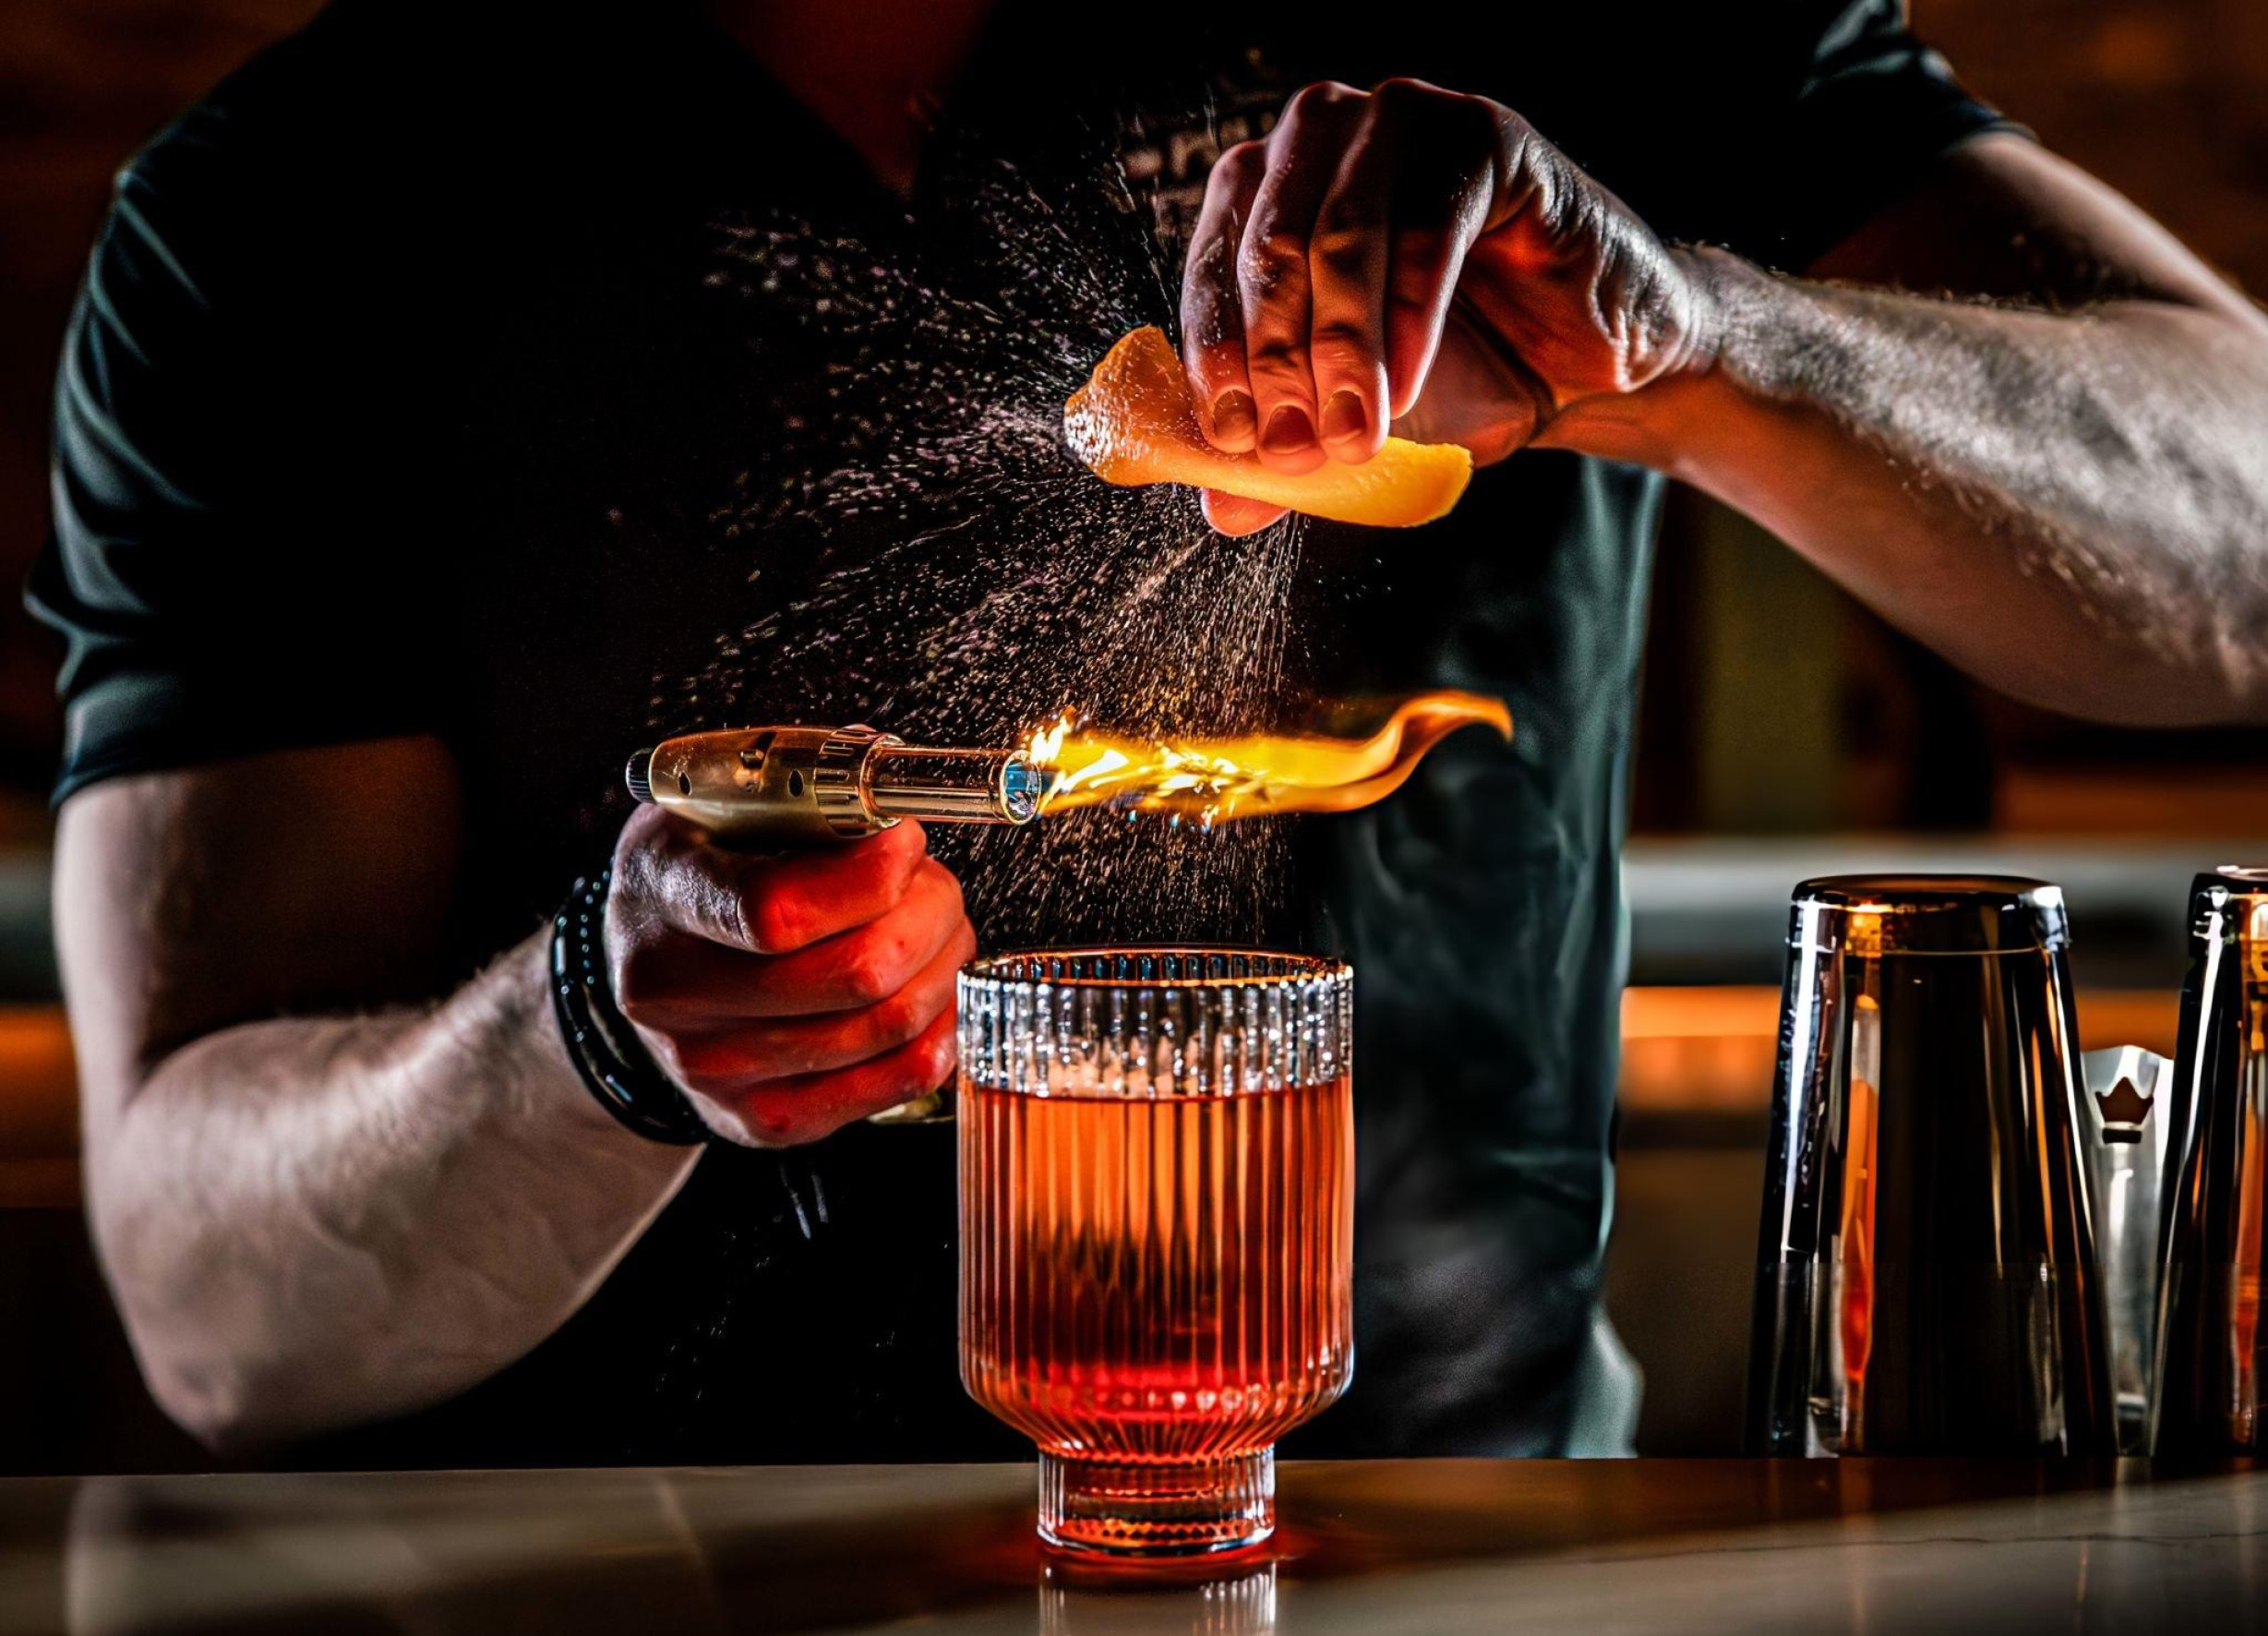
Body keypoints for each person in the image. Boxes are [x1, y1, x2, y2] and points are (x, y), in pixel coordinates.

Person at [31, 0, 2268, 1465]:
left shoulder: (1577, 1)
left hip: (1461, 1573)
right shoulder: (291, 217)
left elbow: (2242, 521)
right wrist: (592, 1044)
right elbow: (216, 1311)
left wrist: (1703, 353)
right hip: (592, 1584)